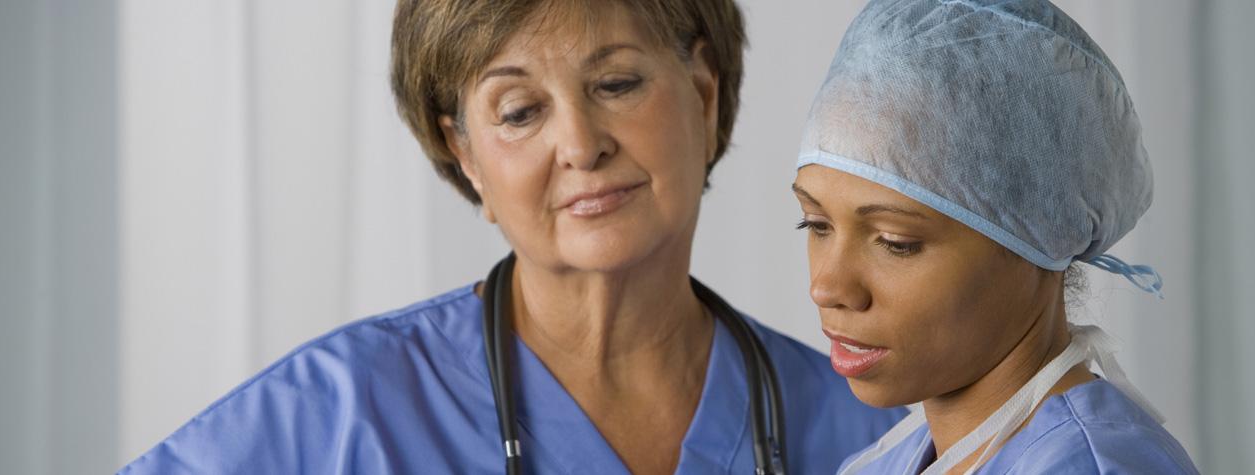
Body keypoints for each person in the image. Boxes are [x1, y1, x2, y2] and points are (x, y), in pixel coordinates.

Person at [117, 1, 903, 473]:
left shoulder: (876, 437)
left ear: (703, 95)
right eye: (520, 110)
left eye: (616, 83)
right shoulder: (340, 420)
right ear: (466, 155)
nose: (580, 142)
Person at [789, 0, 1199, 473]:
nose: (827, 287)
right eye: (816, 224)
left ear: (1039, 236)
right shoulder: (883, 464)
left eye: (895, 241)